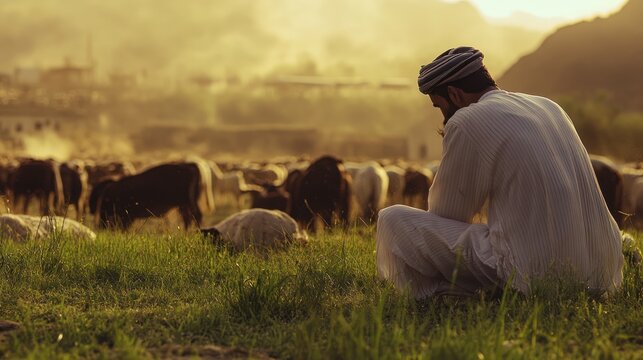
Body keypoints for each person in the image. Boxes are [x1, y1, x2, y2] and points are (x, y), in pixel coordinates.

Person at [376, 47, 623, 298]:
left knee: (392, 219)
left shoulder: (466, 120)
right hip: (601, 273)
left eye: (439, 106)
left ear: (454, 94)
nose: (443, 118)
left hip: (534, 274)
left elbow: (447, 214)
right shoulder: (550, 106)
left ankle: (442, 294)